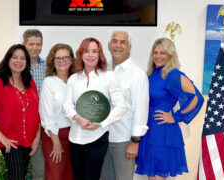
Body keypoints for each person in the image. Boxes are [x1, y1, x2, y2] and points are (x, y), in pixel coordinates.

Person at [135, 38, 204, 180]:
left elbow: (196, 98)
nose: (158, 56)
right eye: (155, 52)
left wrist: (175, 117)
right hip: (149, 131)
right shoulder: (153, 74)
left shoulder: (172, 74)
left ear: (170, 55)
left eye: (163, 53)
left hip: (162, 133)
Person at [63, 37, 127, 180]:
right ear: (80, 55)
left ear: (100, 55)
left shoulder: (109, 77)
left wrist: (100, 124)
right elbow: (66, 105)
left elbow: (121, 106)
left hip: (97, 137)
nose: (90, 55)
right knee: (78, 177)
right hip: (75, 137)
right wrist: (78, 118)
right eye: (86, 51)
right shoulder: (73, 78)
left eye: (94, 51)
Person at [0, 44, 40, 180]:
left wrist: (38, 135)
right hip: (11, 142)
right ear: (8, 60)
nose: (19, 61)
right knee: (17, 177)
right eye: (15, 57)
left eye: (23, 58)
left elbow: (37, 113)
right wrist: (2, 138)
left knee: (18, 176)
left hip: (30, 141)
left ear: (27, 62)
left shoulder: (30, 83)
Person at [101, 31, 149, 180]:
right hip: (101, 138)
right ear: (109, 46)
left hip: (123, 140)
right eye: (114, 41)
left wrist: (135, 141)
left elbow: (140, 110)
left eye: (123, 42)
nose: (118, 45)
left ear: (129, 47)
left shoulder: (137, 75)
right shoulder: (102, 71)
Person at [39, 43, 75, 180]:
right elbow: (46, 116)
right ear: (52, 62)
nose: (62, 61)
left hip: (75, 135)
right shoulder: (49, 83)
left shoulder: (76, 80)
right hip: (54, 135)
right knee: (56, 175)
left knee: (70, 175)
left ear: (71, 60)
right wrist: (56, 142)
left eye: (65, 57)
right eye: (58, 58)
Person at [22, 29, 46, 180]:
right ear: (23, 44)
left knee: (40, 170)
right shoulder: (16, 66)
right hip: (20, 124)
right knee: (18, 169)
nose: (35, 48)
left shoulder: (48, 67)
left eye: (38, 44)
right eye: (31, 44)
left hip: (41, 124)